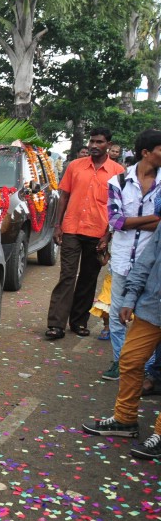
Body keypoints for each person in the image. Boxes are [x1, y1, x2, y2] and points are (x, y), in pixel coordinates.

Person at [82, 134, 161, 460]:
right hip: (151, 300)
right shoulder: (120, 181)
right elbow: (145, 252)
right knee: (129, 360)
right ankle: (126, 419)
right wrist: (129, 298)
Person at [44, 128, 125, 340]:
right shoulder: (75, 166)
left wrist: (107, 236)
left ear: (108, 144)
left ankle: (79, 322)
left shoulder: (117, 172)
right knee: (67, 277)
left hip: (99, 233)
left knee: (88, 279)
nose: (94, 145)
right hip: (72, 228)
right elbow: (64, 197)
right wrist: (57, 225)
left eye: (99, 142)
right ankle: (56, 324)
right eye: (92, 141)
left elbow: (118, 208)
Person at [101, 129, 161, 379]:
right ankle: (120, 360)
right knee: (117, 314)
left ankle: (149, 369)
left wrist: (130, 221)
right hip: (123, 259)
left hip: (154, 263)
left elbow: (124, 221)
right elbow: (115, 221)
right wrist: (155, 219)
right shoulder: (119, 182)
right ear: (146, 153)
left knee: (151, 317)